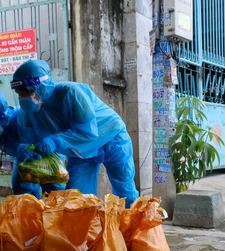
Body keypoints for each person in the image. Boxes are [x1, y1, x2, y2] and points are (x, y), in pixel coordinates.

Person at [10, 59, 139, 207]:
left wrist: (55, 141)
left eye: (26, 92)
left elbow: (88, 133)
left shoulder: (70, 93)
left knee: (125, 193)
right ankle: (87, 229)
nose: (23, 98)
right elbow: (30, 137)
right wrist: (28, 150)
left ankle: (136, 228)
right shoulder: (32, 111)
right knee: (75, 202)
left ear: (41, 86)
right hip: (80, 155)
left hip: (112, 140)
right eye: (19, 93)